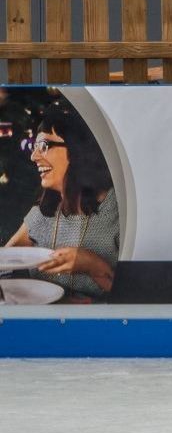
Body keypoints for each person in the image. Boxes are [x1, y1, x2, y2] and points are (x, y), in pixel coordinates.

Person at [4, 102, 119, 301]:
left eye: (44, 146)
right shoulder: (45, 210)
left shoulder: (117, 210)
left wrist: (92, 265)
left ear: (77, 151)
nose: (34, 156)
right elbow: (6, 258)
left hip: (102, 326)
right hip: (43, 322)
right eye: (34, 146)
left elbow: (142, 294)